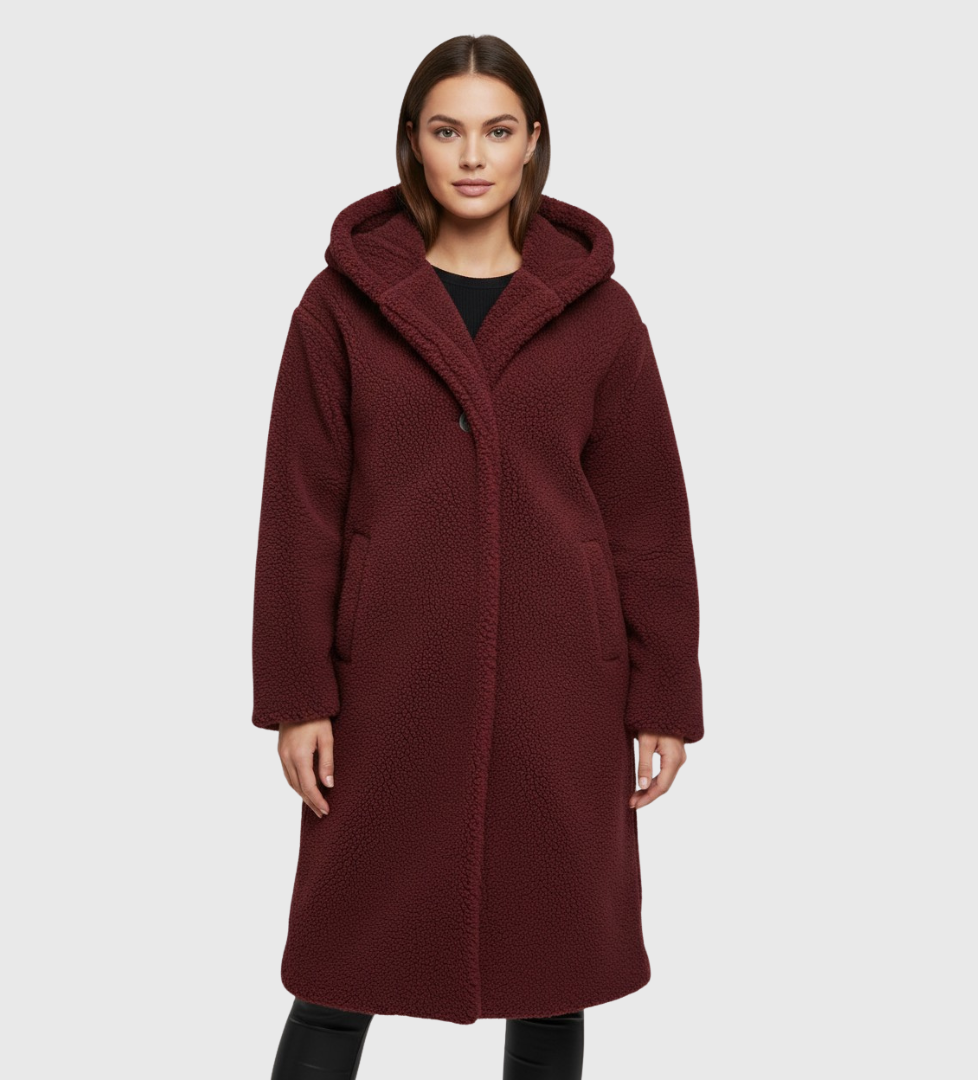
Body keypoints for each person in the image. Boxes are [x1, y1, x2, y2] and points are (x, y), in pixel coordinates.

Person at [251, 33, 704, 1080]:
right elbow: (299, 511)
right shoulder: (339, 309)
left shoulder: (601, 315)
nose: (471, 156)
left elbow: (647, 517)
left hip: (561, 685)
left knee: (554, 971)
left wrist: (663, 698)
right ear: (411, 142)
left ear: (532, 141)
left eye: (496, 131)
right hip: (387, 680)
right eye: (446, 130)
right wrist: (299, 695)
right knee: (337, 973)